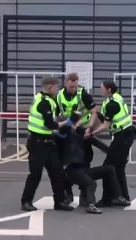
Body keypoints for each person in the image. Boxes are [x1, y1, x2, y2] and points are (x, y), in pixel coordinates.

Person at [20, 76, 77, 212]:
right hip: (37, 143)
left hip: (49, 142)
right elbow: (50, 124)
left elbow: (55, 117)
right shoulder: (43, 102)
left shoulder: (49, 100)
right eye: (57, 87)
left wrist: (65, 120)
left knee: (57, 172)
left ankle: (60, 202)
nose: (58, 90)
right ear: (50, 87)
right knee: (35, 174)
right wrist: (68, 122)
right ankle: (26, 201)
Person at [55, 125, 131, 214]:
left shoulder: (88, 139)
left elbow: (104, 147)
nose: (89, 134)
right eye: (86, 133)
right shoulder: (70, 141)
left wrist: (120, 156)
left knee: (110, 169)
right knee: (91, 184)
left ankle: (117, 196)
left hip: (86, 170)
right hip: (73, 171)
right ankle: (90, 205)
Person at [88, 81, 136, 207]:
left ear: (108, 89)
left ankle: (107, 199)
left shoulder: (112, 104)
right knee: (119, 168)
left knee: (108, 168)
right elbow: (103, 117)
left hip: (123, 136)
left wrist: (92, 133)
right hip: (125, 134)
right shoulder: (115, 98)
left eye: (102, 88)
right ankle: (123, 197)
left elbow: (105, 126)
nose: (100, 90)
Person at [56, 73, 99, 203]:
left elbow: (94, 112)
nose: (74, 89)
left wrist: (89, 128)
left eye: (75, 86)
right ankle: (67, 193)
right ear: (65, 84)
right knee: (65, 164)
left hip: (82, 132)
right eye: (71, 87)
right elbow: (56, 116)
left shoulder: (82, 94)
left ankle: (84, 194)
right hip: (67, 133)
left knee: (84, 162)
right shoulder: (58, 96)